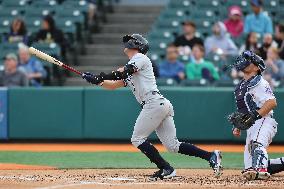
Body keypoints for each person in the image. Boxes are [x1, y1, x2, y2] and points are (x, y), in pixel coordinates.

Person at [81, 34, 223, 180]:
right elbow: (113, 85)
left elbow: (124, 71)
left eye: (131, 42)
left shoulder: (140, 58)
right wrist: (96, 80)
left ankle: (165, 168)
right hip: (159, 104)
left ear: (138, 45)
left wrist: (101, 76)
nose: (127, 44)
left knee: (137, 139)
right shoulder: (132, 66)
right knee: (172, 145)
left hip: (153, 103)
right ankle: (210, 155)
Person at [229, 50, 284, 180]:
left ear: (256, 67)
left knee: (257, 146)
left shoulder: (259, 82)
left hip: (264, 121)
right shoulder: (241, 87)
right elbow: (243, 110)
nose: (244, 61)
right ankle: (264, 166)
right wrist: (237, 126)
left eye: (249, 60)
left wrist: (254, 115)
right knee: (250, 169)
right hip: (251, 126)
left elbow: (272, 102)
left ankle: (261, 169)